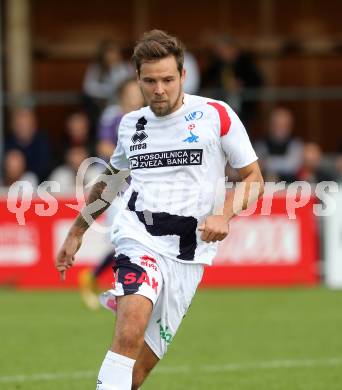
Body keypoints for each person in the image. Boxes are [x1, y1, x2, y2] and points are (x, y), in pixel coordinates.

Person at [56, 30, 264, 390]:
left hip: (189, 255)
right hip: (139, 239)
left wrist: (223, 214)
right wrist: (76, 232)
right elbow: (111, 181)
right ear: (138, 79)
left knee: (138, 372)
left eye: (168, 79)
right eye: (150, 81)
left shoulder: (216, 115)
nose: (159, 89)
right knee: (129, 330)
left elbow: (254, 178)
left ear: (183, 75)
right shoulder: (130, 125)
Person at [254, 107, 303, 182]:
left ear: (290, 127)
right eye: (276, 124)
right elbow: (256, 166)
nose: (280, 128)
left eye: (284, 125)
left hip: (292, 188)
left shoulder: (295, 145)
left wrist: (267, 163)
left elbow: (293, 166)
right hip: (266, 187)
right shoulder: (260, 145)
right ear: (270, 125)